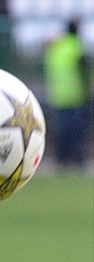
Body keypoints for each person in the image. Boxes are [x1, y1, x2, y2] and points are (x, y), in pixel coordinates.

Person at [44, 21, 91, 168]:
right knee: (76, 131)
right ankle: (78, 160)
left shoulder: (55, 47)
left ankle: (61, 160)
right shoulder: (76, 46)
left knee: (61, 131)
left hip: (57, 96)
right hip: (75, 96)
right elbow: (84, 68)